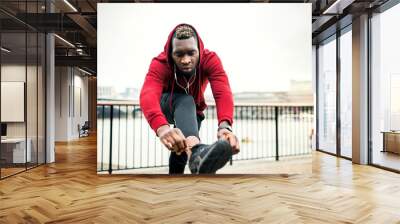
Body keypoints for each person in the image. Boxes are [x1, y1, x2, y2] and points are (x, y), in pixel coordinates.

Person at [140, 23, 240, 174]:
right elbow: (148, 93)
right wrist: (162, 127)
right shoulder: (160, 63)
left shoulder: (210, 59)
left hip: (192, 111)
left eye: (191, 53)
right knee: (186, 99)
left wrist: (224, 126)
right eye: (179, 54)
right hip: (166, 105)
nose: (185, 60)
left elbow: (222, 92)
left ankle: (192, 163)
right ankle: (197, 151)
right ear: (170, 53)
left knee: (181, 148)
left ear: (199, 50)